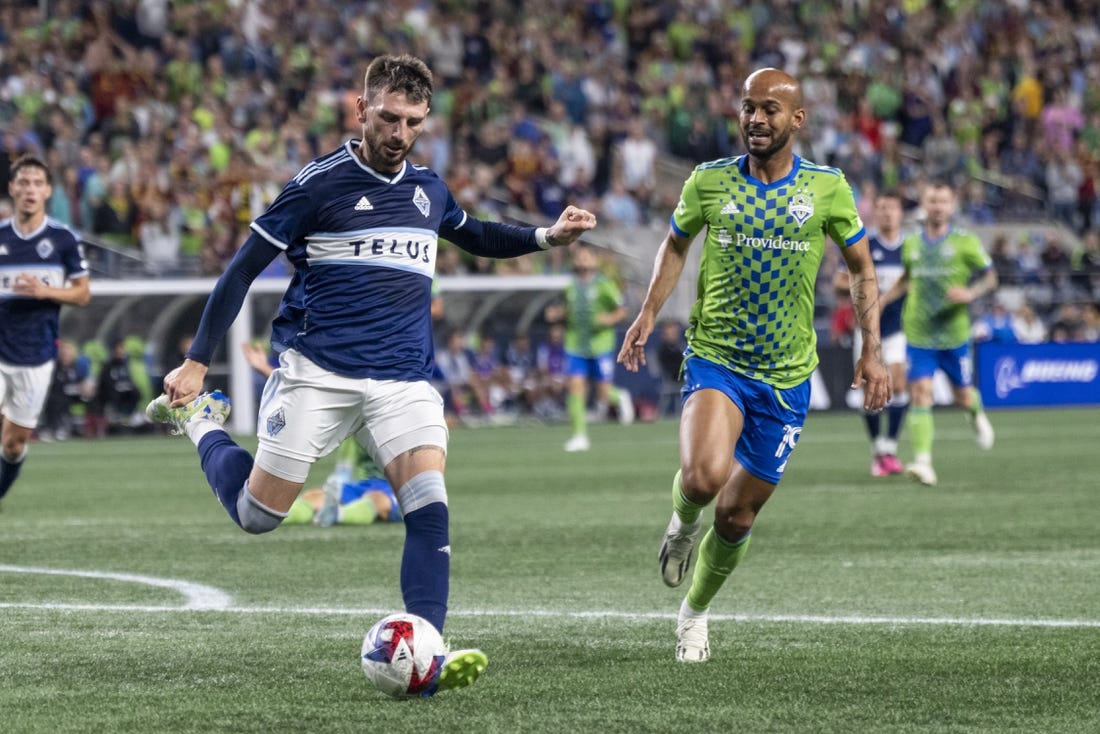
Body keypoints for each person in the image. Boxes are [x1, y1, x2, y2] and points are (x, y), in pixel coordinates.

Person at [144, 54, 596, 694]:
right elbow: (239, 272)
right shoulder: (317, 186)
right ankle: (199, 421)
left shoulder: (429, 189)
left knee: (429, 507)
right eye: (388, 117)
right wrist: (195, 362)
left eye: (413, 122)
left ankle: (427, 651)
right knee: (257, 515)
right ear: (361, 110)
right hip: (318, 373)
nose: (399, 132)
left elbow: (477, 234)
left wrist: (547, 236)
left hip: (403, 380)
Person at [616, 68, 890, 663]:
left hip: (787, 376)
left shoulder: (828, 188)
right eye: (747, 107)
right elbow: (675, 245)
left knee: (737, 516)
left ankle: (694, 613)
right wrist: (648, 312)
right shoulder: (709, 180)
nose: (756, 119)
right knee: (702, 479)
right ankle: (682, 524)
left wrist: (872, 350)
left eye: (769, 109)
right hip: (717, 357)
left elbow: (862, 269)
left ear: (797, 119)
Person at [881, 181, 996, 487]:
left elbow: (991, 277)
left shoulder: (965, 242)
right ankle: (923, 462)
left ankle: (975, 412)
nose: (938, 207)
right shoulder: (911, 244)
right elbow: (907, 279)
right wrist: (883, 300)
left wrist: (971, 293)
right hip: (919, 333)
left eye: (943, 201)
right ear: (924, 204)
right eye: (933, 201)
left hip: (954, 335)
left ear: (952, 205)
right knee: (920, 392)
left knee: (962, 396)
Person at [0, 156, 91, 504]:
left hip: (36, 355)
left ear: (48, 191)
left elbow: (82, 294)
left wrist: (45, 291)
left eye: (37, 183)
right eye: (24, 182)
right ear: (12, 188)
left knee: (13, 443)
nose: (30, 189)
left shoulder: (62, 240)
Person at [833, 190, 909, 476]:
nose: (888, 213)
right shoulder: (864, 244)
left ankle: (890, 448)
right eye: (883, 208)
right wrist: (866, 284)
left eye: (892, 208)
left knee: (898, 385)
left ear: (900, 213)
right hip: (866, 331)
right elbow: (839, 282)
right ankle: (878, 450)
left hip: (898, 328)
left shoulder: (910, 249)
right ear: (875, 212)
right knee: (871, 392)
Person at [546, 243, 633, 452]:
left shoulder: (604, 284)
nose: (582, 260)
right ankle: (579, 436)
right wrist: (557, 314)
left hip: (600, 344)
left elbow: (622, 310)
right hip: (575, 344)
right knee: (575, 387)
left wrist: (608, 318)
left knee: (603, 393)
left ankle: (620, 397)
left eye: (587, 256)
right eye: (579, 256)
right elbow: (569, 309)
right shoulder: (570, 285)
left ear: (594, 261)